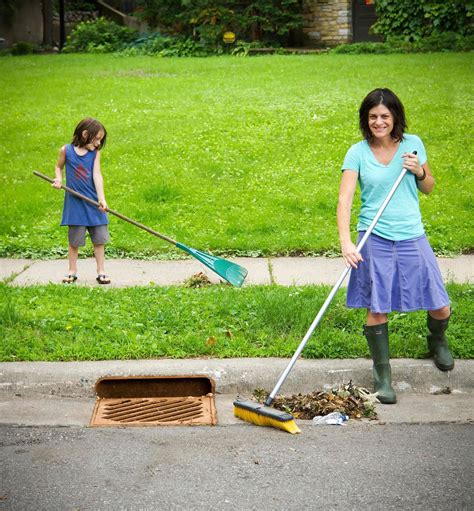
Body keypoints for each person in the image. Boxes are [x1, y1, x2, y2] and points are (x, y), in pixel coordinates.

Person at [337, 88, 453, 404]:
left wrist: (419, 171)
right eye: (373, 116)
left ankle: (437, 339)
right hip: (374, 236)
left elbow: (428, 187)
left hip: (411, 233)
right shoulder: (357, 153)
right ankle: (382, 377)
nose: (379, 122)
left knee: (440, 304)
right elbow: (345, 198)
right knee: (377, 308)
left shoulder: (413, 145)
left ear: (395, 117)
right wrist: (347, 241)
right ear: (366, 120)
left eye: (384, 116)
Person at [53, 118, 111, 285]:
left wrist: (101, 199)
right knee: (74, 241)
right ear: (85, 134)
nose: (99, 143)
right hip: (75, 204)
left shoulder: (95, 153)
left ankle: (101, 271)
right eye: (97, 138)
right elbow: (58, 167)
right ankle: (72, 271)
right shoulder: (66, 150)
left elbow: (97, 175)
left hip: (93, 203)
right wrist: (58, 180)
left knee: (99, 240)